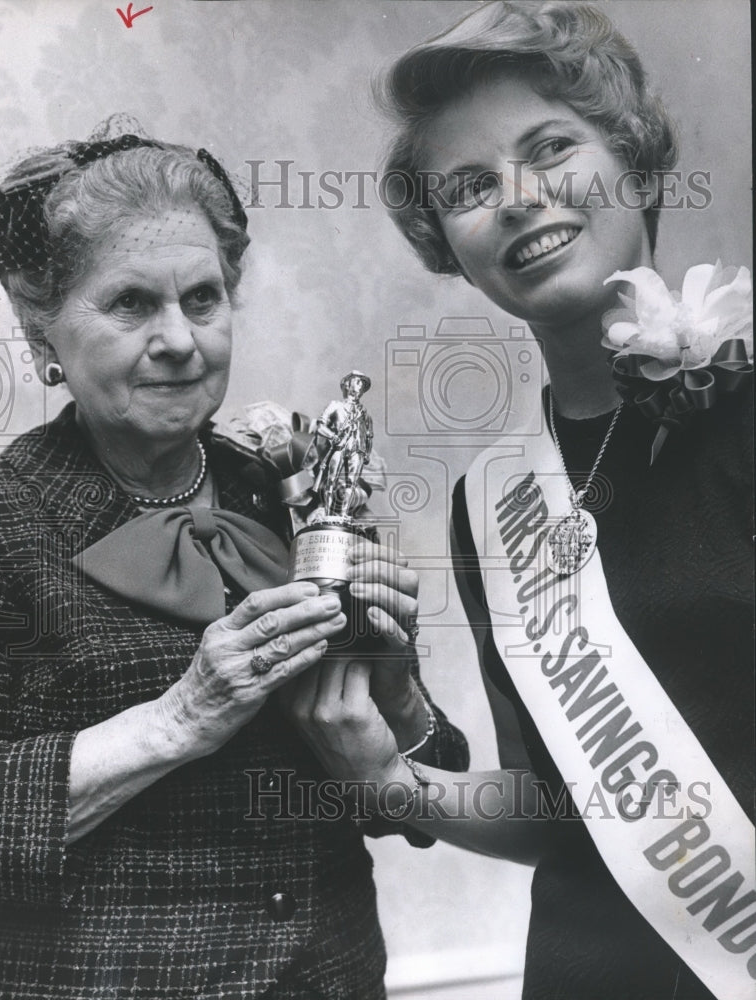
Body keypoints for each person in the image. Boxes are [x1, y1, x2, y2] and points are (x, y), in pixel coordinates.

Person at [287, 4, 754, 1000]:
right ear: (446, 245)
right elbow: (557, 810)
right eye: (467, 187)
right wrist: (390, 778)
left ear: (635, 159)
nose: (516, 198)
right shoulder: (492, 496)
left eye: (550, 147)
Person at [0, 119, 469, 1000]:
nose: (180, 340)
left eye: (202, 299)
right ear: (43, 334)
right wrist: (177, 720)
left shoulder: (300, 496)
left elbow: (425, 800)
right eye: (130, 305)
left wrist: (396, 696)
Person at [311, 371, 374, 519]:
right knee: (331, 480)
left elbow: (369, 436)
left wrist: (367, 453)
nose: (361, 386)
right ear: (347, 384)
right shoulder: (335, 405)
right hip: (339, 447)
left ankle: (343, 514)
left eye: (363, 384)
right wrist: (332, 436)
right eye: (358, 382)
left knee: (351, 483)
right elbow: (320, 427)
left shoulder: (365, 414)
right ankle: (327, 513)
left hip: (358, 450)